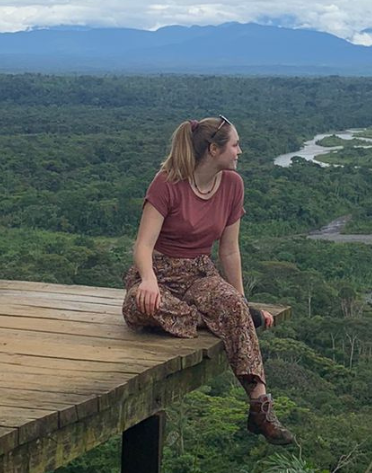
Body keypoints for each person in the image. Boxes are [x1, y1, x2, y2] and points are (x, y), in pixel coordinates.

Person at [122, 115, 296, 445]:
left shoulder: (233, 185)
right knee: (138, 307)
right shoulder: (168, 182)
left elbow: (229, 251)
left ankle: (260, 407)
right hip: (160, 273)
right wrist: (147, 281)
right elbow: (142, 245)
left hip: (200, 273)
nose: (239, 151)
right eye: (234, 145)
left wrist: (241, 300)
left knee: (232, 306)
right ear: (214, 149)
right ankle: (228, 319)